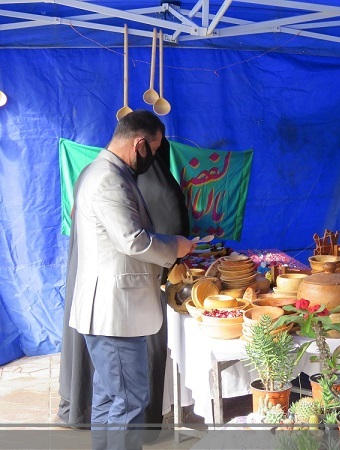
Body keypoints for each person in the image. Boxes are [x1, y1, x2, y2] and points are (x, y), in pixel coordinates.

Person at [68, 110, 197, 449]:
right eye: (153, 149)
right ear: (139, 143)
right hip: (114, 311)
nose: (154, 157)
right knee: (130, 401)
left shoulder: (103, 172)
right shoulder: (109, 179)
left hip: (109, 309)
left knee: (110, 399)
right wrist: (177, 246)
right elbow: (133, 240)